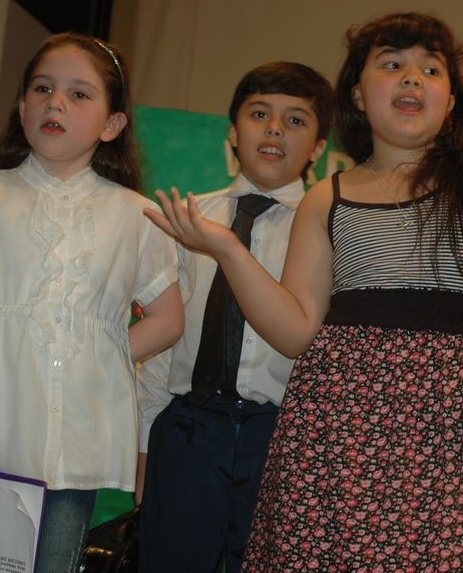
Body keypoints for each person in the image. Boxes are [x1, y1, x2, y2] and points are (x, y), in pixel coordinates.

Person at [145, 12, 463, 571]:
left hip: (444, 435)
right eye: (391, 65)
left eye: (430, 69)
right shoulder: (326, 197)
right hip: (333, 435)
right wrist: (228, 250)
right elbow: (295, 331)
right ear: (359, 96)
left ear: (452, 100)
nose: (411, 78)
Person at [0, 33, 184, 573]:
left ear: (112, 124)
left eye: (79, 94)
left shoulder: (136, 216)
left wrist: (93, 355)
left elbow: (168, 319)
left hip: (74, 447)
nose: (55, 102)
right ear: (21, 108)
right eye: (42, 88)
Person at [136, 61, 333, 573]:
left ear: (318, 147)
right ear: (232, 131)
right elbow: (162, 346)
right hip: (189, 429)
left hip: (284, 438)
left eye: (295, 120)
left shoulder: (329, 232)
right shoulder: (186, 220)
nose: (274, 129)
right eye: (259, 114)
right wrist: (144, 450)